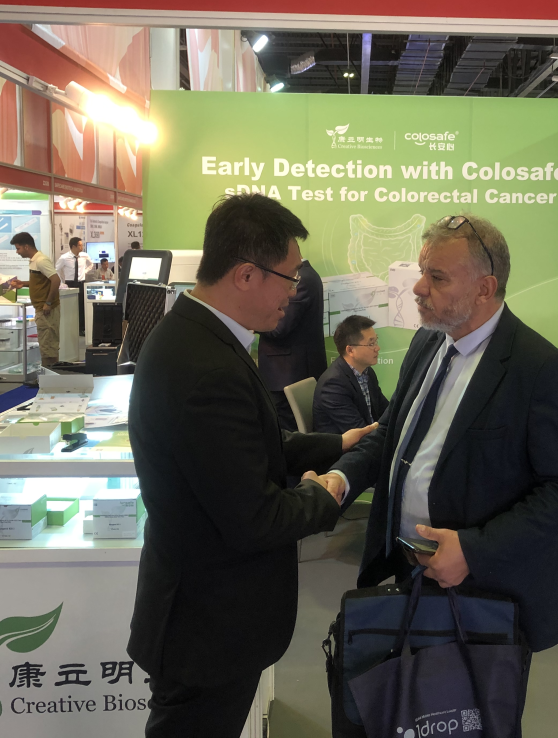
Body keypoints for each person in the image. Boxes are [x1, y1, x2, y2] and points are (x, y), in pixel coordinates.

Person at [324, 215, 558, 733]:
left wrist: (473, 548)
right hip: (410, 572)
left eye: (437, 277)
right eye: (422, 272)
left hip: (485, 590)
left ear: (484, 288)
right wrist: (341, 478)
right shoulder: (429, 343)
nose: (418, 288)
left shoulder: (540, 369)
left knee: (472, 719)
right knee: (408, 713)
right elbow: (392, 434)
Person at [126, 194, 376, 738]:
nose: (294, 292)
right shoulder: (205, 365)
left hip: (204, 613)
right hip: (207, 624)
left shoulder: (202, 337)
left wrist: (338, 443)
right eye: (290, 278)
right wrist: (328, 491)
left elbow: (250, 445)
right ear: (245, 275)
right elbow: (255, 518)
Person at [257, 258, 327, 430]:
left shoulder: (300, 279)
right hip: (288, 374)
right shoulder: (307, 275)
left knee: (288, 435)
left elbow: (279, 329)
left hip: (286, 376)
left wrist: (250, 320)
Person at [313, 315, 390, 434]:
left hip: (370, 437)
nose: (377, 348)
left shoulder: (367, 372)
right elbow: (358, 432)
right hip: (348, 444)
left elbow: (385, 410)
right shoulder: (333, 385)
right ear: (350, 350)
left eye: (376, 341)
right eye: (371, 344)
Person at [10, 232, 61, 367]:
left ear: (26, 247)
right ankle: (48, 374)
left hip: (46, 310)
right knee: (46, 345)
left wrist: (48, 302)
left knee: (48, 346)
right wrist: (23, 284)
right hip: (41, 309)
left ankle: (49, 375)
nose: (17, 252)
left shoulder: (40, 260)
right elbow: (42, 282)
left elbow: (56, 280)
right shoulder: (34, 261)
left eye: (18, 248)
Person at [55, 237, 93, 335]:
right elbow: (57, 269)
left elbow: (91, 264)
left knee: (82, 306)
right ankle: (70, 327)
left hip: (81, 282)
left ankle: (81, 328)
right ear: (73, 246)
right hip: (70, 283)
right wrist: (62, 281)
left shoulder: (84, 255)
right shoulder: (64, 257)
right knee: (70, 306)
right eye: (80, 245)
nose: (82, 247)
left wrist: (84, 272)